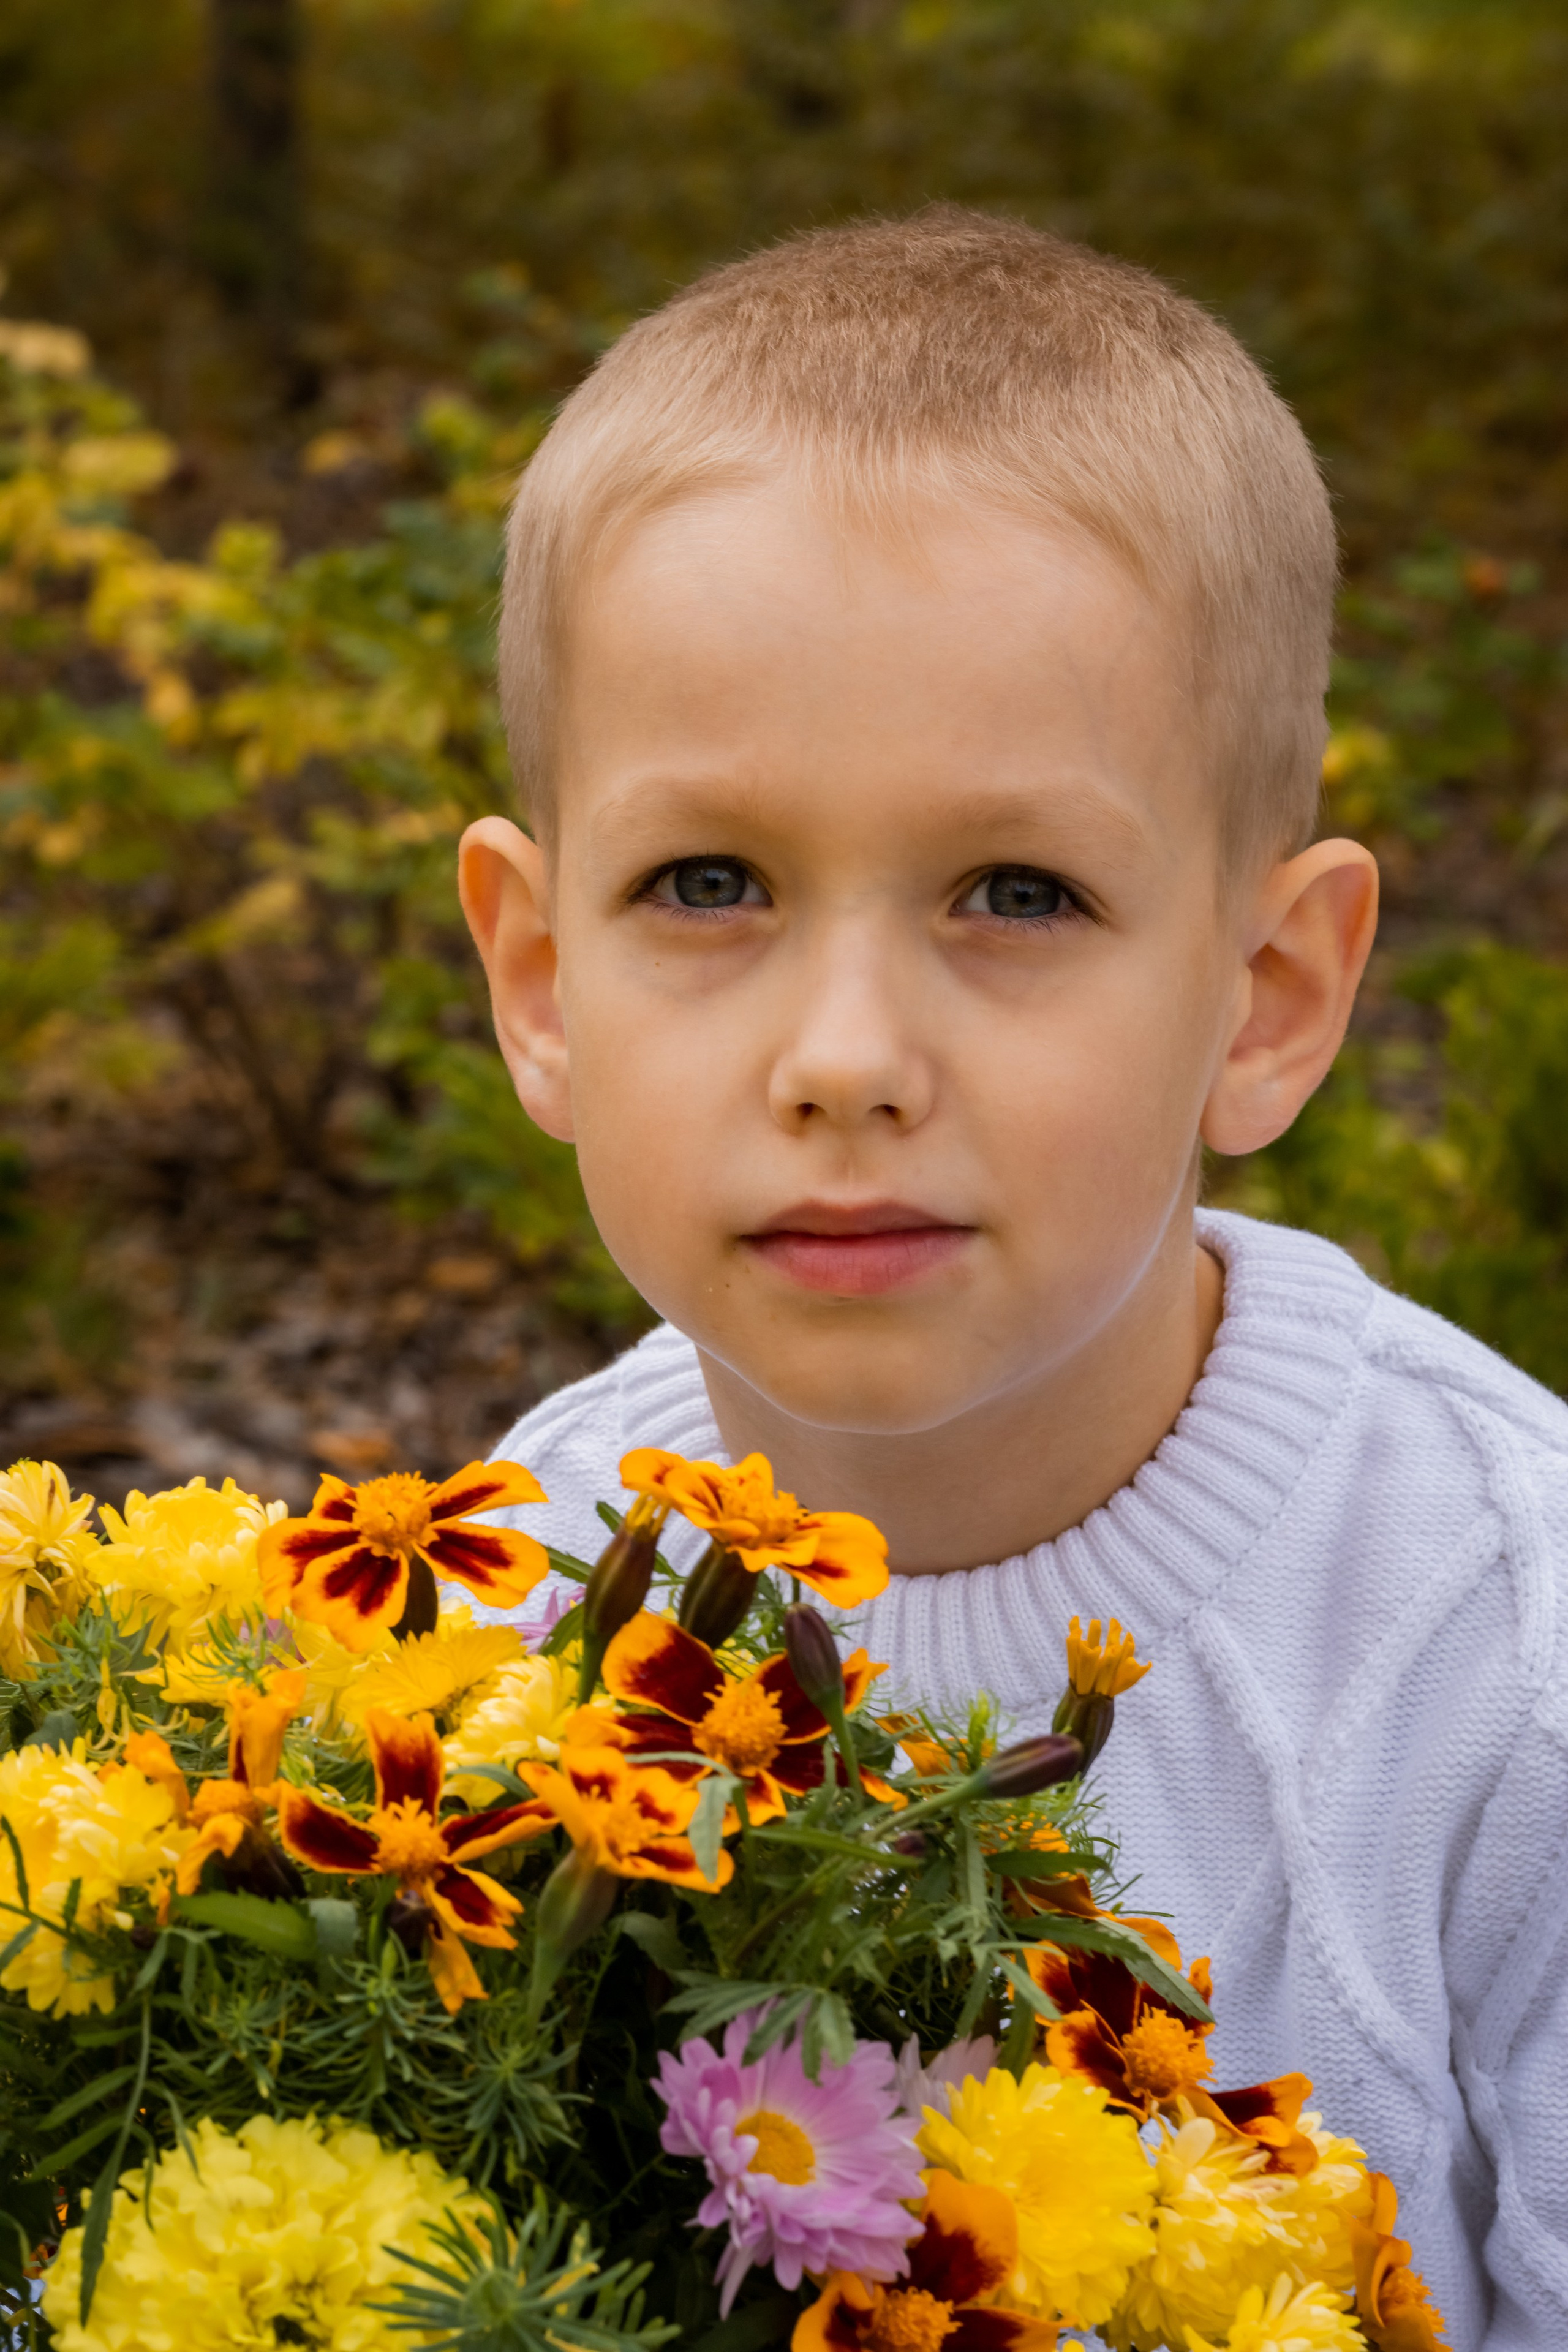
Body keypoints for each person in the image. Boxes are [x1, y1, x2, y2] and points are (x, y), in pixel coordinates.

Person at [458, 208, 1568, 2344]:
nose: (848, 1060)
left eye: (1017, 893)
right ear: (541, 984)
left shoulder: (1508, 1660)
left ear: (1262, 996)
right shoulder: (531, 1587)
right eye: (710, 882)